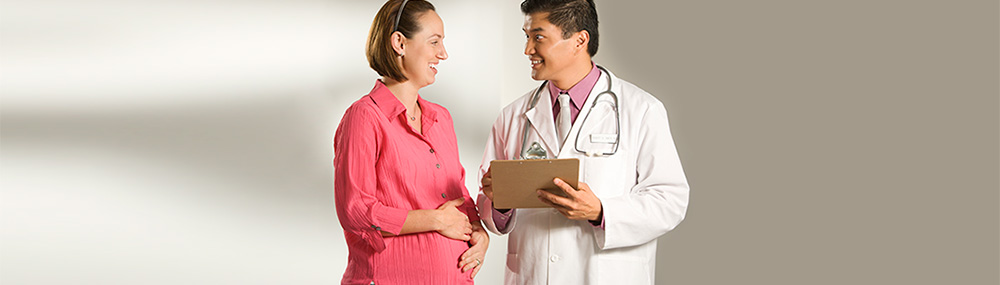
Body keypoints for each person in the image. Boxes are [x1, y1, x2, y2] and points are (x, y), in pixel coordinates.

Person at [476, 0, 690, 284]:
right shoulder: (513, 117)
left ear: (579, 40)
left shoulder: (641, 109)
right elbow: (487, 206)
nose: (527, 49)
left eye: (538, 37)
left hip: (605, 274)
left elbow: (670, 200)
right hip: (534, 274)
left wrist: (601, 212)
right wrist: (499, 203)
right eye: (526, 36)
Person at [333, 0, 488, 284]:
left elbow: (457, 193)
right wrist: (436, 220)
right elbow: (355, 210)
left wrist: (478, 232)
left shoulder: (442, 118)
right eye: (434, 42)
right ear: (399, 43)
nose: (443, 54)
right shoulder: (364, 117)